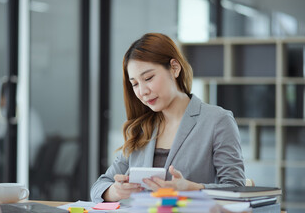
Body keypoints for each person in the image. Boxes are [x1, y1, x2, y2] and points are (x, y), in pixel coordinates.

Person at [90, 33, 245, 203]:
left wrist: (192, 188)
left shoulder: (217, 121)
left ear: (174, 68)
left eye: (148, 78)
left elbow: (236, 188)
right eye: (135, 84)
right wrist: (116, 191)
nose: (142, 91)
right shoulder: (141, 129)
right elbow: (99, 186)